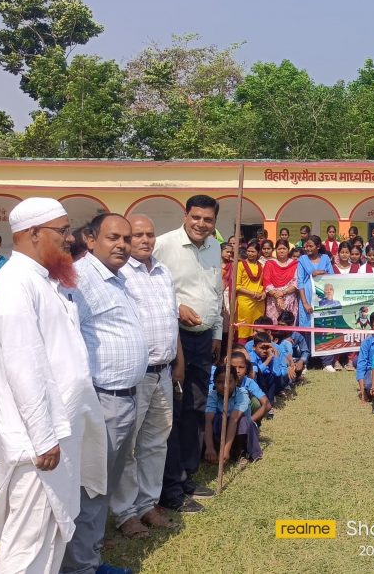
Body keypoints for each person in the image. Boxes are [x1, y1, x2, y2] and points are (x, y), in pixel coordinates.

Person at [0, 197, 105, 573]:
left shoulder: (42, 280)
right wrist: (44, 437)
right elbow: (23, 366)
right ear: (33, 233)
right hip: (36, 440)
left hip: (57, 430)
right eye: (62, 231)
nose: (70, 238)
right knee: (28, 540)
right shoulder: (16, 284)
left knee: (51, 528)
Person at [61, 213, 148, 574]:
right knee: (92, 487)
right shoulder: (80, 280)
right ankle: (81, 567)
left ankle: (89, 557)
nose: (123, 245)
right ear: (90, 238)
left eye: (127, 239)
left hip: (124, 397)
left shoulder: (117, 279)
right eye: (114, 238)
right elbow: (68, 340)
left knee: (104, 484)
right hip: (102, 399)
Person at [112, 215, 181, 536]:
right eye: (137, 235)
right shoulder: (120, 274)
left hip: (163, 371)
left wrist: (178, 359)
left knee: (155, 442)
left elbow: (171, 317)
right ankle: (125, 512)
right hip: (135, 374)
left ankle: (148, 504)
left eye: (149, 234)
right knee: (128, 445)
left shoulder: (163, 272)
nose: (144, 240)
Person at [154, 195, 223, 513]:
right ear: (185, 215)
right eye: (196, 217)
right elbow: (146, 287)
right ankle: (169, 487)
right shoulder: (163, 245)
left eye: (208, 220)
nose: (201, 224)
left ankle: (186, 476)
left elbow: (216, 292)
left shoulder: (215, 247)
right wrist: (175, 306)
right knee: (175, 410)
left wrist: (217, 333)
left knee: (196, 408)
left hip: (205, 340)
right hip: (175, 339)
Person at [203, 369, 261, 464]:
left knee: (242, 420)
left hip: (240, 431)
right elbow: (208, 420)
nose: (224, 386)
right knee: (212, 418)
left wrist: (226, 450)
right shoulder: (212, 395)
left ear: (236, 382)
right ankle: (215, 451)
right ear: (214, 383)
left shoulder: (242, 394)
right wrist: (209, 447)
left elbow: (234, 420)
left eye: (229, 382)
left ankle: (241, 452)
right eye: (219, 382)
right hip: (222, 432)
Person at [296, 235, 333, 331]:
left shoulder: (325, 258)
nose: (308, 248)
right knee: (307, 327)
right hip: (307, 296)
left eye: (310, 246)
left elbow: (332, 277)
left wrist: (321, 272)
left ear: (318, 246)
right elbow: (300, 282)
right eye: (306, 246)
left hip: (323, 296)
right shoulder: (302, 259)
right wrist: (305, 303)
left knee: (322, 326)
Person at [262, 240, 299, 322]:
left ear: (288, 250)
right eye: (279, 249)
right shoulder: (269, 264)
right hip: (273, 300)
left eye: (284, 248)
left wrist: (283, 293)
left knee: (288, 324)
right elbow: (266, 282)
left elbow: (296, 282)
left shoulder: (295, 264)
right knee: (274, 324)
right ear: (275, 250)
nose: (281, 251)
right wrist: (277, 297)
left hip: (289, 300)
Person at [234, 239, 266, 327]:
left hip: (259, 301)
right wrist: (253, 294)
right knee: (244, 326)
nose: (250, 253)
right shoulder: (240, 265)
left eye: (253, 251)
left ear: (258, 253)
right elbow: (237, 286)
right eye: (248, 251)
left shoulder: (262, 266)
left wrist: (263, 294)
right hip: (245, 301)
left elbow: (264, 284)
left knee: (258, 326)